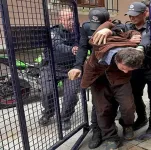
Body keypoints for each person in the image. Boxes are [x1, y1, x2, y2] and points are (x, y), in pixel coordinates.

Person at [91, 1, 151, 134]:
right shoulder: (127, 26)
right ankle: (142, 118)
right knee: (135, 95)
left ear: (145, 13)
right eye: (130, 15)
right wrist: (107, 28)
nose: (132, 18)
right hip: (135, 68)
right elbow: (115, 26)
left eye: (135, 15)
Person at [81, 21, 144, 149]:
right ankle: (110, 137)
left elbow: (132, 32)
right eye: (124, 68)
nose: (127, 71)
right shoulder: (99, 44)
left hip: (120, 80)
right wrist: (107, 30)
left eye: (130, 70)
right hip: (99, 80)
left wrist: (139, 43)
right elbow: (108, 24)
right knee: (102, 110)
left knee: (128, 107)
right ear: (118, 59)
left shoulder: (128, 46)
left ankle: (127, 126)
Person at [67, 7, 111, 149]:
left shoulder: (115, 26)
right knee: (97, 103)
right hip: (95, 70)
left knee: (112, 102)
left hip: (112, 70)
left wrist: (108, 30)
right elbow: (82, 47)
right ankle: (96, 132)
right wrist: (77, 66)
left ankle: (110, 132)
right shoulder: (86, 28)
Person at [39, 8, 80, 131]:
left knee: (71, 94)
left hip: (71, 68)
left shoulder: (79, 31)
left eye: (73, 18)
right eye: (68, 19)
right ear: (60, 19)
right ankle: (48, 112)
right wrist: (71, 49)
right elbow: (57, 44)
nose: (72, 21)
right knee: (47, 92)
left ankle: (64, 118)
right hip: (51, 67)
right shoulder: (53, 31)